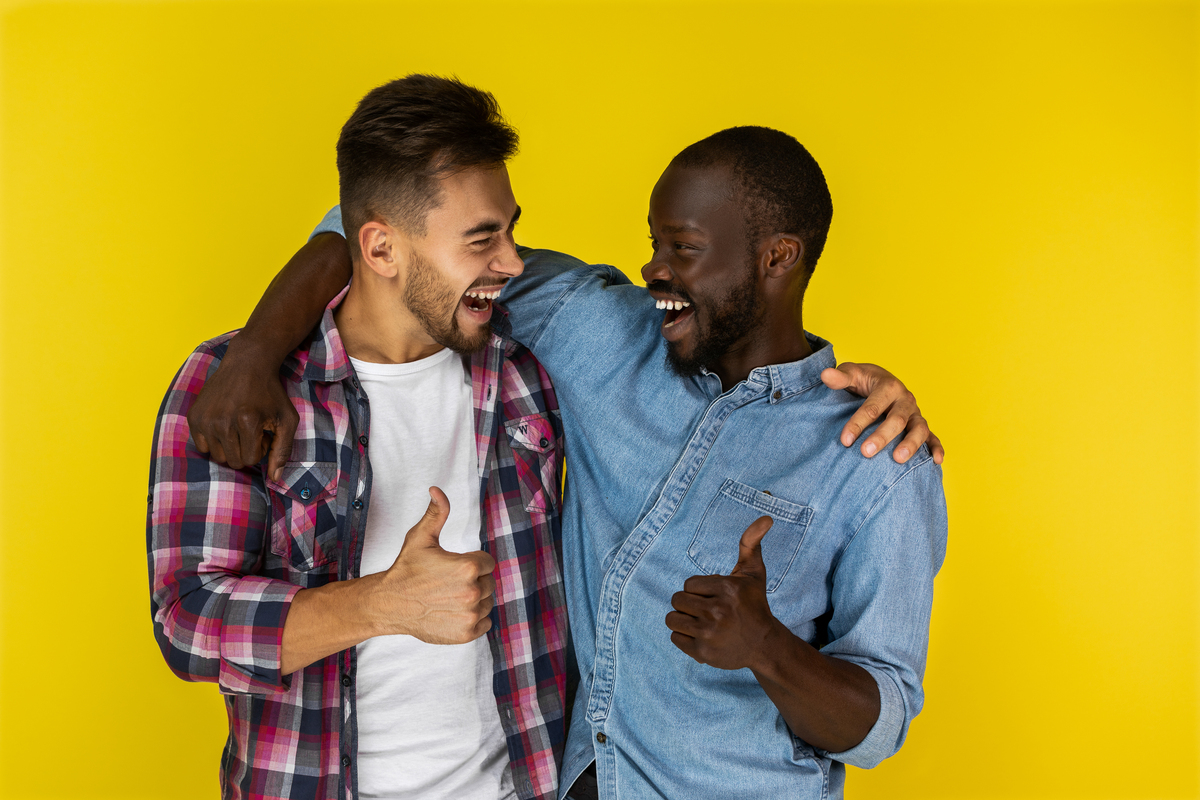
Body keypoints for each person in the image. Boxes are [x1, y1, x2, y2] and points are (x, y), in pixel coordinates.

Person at [186, 95, 947, 798]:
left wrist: (767, 648)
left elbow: (882, 724)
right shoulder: (596, 330)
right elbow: (375, 229)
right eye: (653, 242)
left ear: (778, 258)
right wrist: (255, 352)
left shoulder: (874, 459)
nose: (653, 268)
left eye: (682, 248)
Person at [148, 76, 570, 800]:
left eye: (509, 229)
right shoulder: (236, 384)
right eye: (481, 239)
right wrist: (385, 604)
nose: (513, 263)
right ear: (379, 249)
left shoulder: (528, 374)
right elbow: (188, 621)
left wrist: (829, 385)